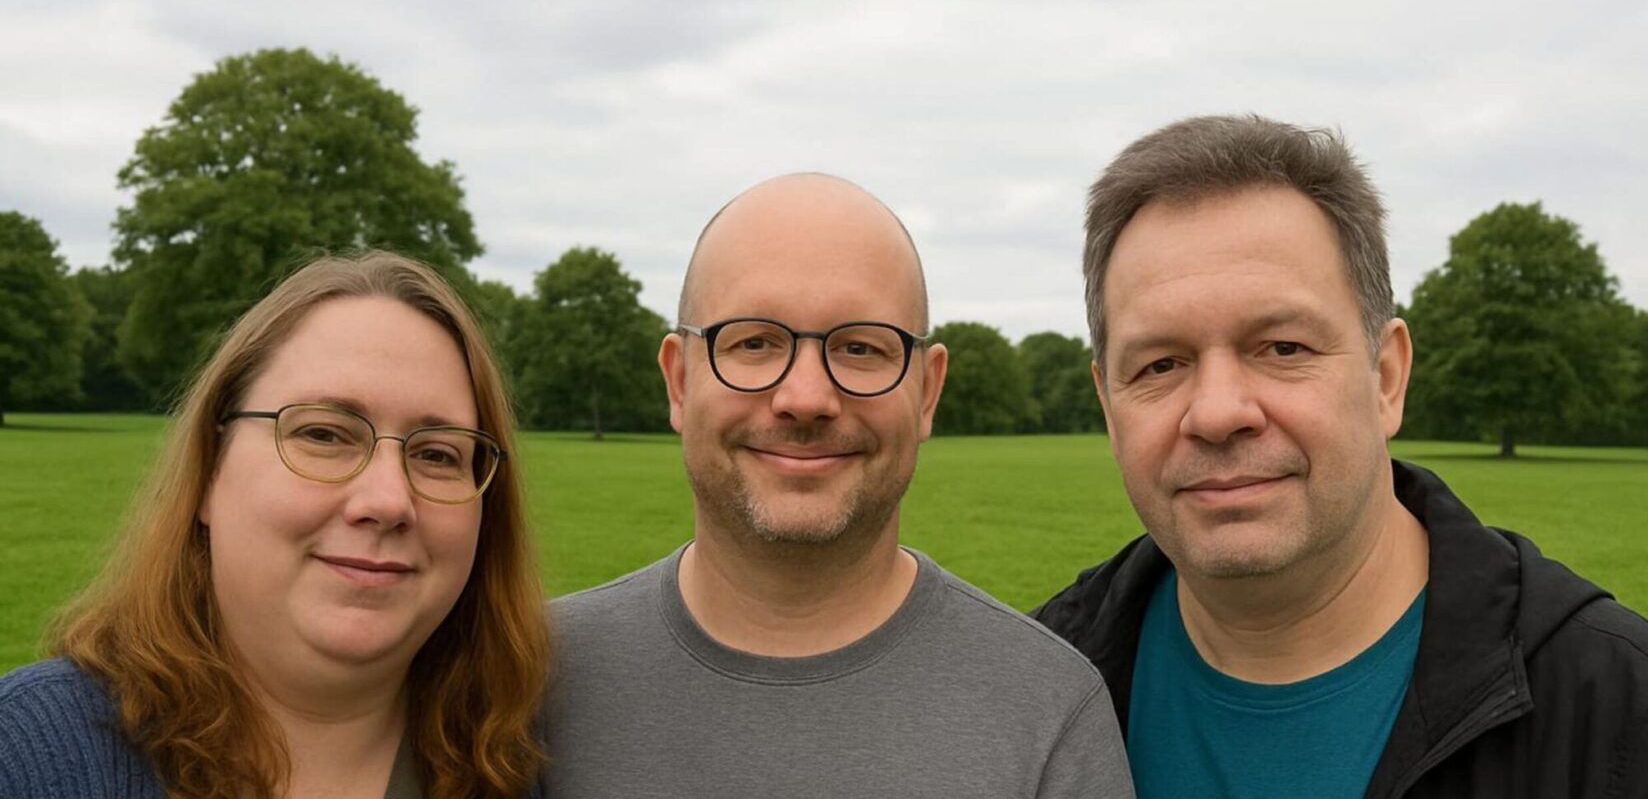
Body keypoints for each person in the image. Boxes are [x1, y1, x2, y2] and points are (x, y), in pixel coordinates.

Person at [1032, 114, 1648, 798]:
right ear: (1108, 406)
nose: (1216, 413)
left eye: (1283, 348)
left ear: (1386, 376)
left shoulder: (1615, 707)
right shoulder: (1027, 690)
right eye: (1160, 364)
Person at [543, 173, 1134, 798]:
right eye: (753, 342)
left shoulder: (1048, 711)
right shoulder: (523, 684)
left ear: (927, 392)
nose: (806, 398)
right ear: (679, 382)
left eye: (860, 348)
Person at [0, 252, 551, 798]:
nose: (388, 500)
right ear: (210, 470)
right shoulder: (27, 757)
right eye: (323, 435)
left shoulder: (530, 766)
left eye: (437, 454)